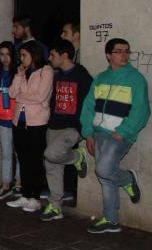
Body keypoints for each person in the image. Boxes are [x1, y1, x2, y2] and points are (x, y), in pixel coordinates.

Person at [81, 38, 150, 234]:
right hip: (98, 133)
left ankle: (128, 179)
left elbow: (142, 110)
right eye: (119, 51)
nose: (124, 55)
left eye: (127, 51)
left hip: (118, 135)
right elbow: (88, 107)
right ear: (108, 55)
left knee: (103, 170)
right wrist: (88, 133)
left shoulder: (135, 79)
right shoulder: (101, 78)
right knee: (105, 177)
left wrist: (124, 132)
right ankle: (111, 219)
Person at [40, 39, 92, 222]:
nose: (49, 58)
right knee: (52, 165)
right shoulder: (57, 75)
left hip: (72, 127)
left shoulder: (82, 75)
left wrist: (84, 128)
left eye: (53, 55)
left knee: (51, 153)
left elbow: (88, 105)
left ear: (64, 56)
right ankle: (55, 206)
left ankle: (77, 156)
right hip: (54, 125)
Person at [6, 41, 53, 213]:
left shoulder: (45, 72)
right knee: (23, 158)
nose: (21, 59)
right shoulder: (22, 72)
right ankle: (25, 194)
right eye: (20, 55)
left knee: (35, 159)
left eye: (24, 55)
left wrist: (21, 96)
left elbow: (40, 97)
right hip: (19, 120)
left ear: (34, 54)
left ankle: (35, 197)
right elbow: (11, 93)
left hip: (37, 122)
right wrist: (19, 76)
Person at [0, 41, 20, 200]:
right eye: (2, 54)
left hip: (17, 120)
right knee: (6, 153)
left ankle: (19, 184)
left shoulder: (18, 74)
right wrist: (0, 111)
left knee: (19, 153)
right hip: (3, 120)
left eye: (8, 54)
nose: (5, 58)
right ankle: (6, 184)